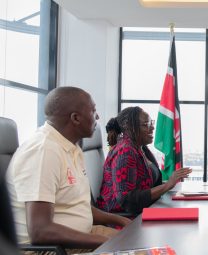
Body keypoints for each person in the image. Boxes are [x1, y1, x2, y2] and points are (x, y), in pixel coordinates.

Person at [6, 86, 131, 251]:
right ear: (75, 118)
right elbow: (40, 231)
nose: (98, 116)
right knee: (133, 249)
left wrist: (121, 221)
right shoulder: (43, 151)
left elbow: (77, 204)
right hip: (49, 249)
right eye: (93, 111)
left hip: (78, 236)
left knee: (138, 241)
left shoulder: (71, 148)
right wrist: (103, 242)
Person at [96, 106, 192, 215]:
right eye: (146, 125)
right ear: (130, 127)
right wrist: (167, 185)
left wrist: (171, 183)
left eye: (151, 123)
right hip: (126, 219)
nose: (152, 128)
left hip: (145, 210)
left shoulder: (141, 147)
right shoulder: (125, 152)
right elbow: (126, 200)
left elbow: (147, 184)